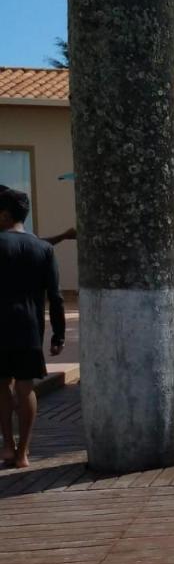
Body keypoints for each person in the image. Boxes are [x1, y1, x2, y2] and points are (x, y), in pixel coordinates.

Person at [0, 187, 65, 469]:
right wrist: (58, 334)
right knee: (26, 388)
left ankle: (7, 445)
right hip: (29, 327)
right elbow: (56, 296)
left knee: (2, 386)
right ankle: (24, 452)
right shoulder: (43, 248)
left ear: (4, 214)